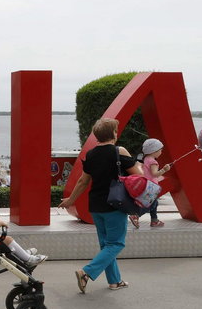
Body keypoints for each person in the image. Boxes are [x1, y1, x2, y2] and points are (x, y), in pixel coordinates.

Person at [59, 118, 143, 293]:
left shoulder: (91, 154)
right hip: (115, 204)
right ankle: (86, 272)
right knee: (116, 244)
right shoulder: (119, 151)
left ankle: (115, 281)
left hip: (96, 206)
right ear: (113, 133)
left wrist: (71, 200)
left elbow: (83, 181)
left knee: (107, 245)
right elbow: (138, 176)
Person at [129, 138, 170, 229]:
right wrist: (164, 170)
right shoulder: (153, 162)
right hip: (152, 187)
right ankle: (136, 215)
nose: (161, 152)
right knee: (152, 204)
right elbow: (155, 174)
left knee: (153, 202)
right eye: (160, 150)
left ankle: (154, 220)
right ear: (154, 150)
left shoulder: (146, 159)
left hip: (146, 185)